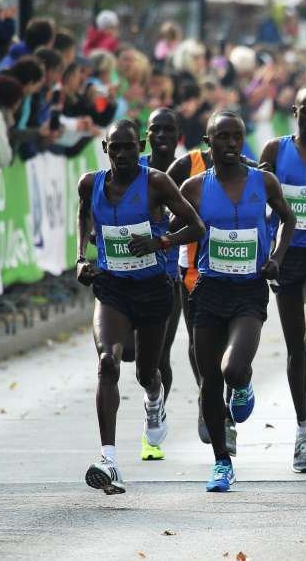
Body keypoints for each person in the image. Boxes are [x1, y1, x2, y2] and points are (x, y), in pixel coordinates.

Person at [75, 120, 206, 494]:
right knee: (107, 363)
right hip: (112, 288)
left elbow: (196, 226)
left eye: (128, 147)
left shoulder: (157, 183)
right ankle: (109, 459)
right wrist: (81, 257)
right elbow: (84, 214)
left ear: (141, 146)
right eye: (114, 148)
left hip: (153, 289)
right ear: (105, 149)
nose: (121, 155)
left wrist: (161, 242)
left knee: (146, 372)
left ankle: (154, 399)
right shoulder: (91, 183)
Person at [179, 112, 296, 492]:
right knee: (209, 380)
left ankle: (243, 386)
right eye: (222, 137)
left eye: (236, 137)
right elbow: (176, 225)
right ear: (208, 143)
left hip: (249, 289)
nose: (231, 144)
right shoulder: (194, 187)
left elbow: (287, 219)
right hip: (209, 288)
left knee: (231, 369)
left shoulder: (264, 181)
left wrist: (276, 258)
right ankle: (221, 462)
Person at [258, 86, 306, 473]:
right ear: (294, 111)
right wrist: (266, 255)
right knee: (294, 350)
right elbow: (259, 202)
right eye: (305, 110)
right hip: (286, 258)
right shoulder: (274, 150)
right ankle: (301, 428)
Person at [134, 108, 186, 461]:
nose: (163, 135)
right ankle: (153, 399)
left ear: (178, 134)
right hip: (130, 274)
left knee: (160, 355)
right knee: (128, 354)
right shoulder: (131, 171)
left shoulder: (186, 171)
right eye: (156, 129)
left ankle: (151, 433)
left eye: (169, 129)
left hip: (171, 274)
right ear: (147, 135)